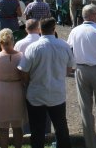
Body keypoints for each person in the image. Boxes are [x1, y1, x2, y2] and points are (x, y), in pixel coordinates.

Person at [18, 18, 73, 148]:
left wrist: (28, 83)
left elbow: (23, 70)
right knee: (61, 127)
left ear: (40, 30)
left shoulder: (33, 48)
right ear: (54, 29)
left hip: (36, 92)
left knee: (37, 129)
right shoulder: (64, 45)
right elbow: (69, 69)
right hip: (57, 92)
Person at [67, 4, 96, 148]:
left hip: (81, 70)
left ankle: (90, 144)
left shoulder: (75, 31)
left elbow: (69, 49)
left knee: (85, 109)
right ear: (92, 15)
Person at [0, 29, 25, 148]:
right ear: (12, 40)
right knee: (17, 126)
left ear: (0, 42)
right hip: (17, 89)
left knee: (3, 127)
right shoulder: (20, 56)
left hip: (0, 89)